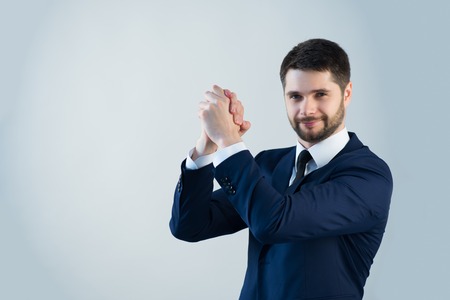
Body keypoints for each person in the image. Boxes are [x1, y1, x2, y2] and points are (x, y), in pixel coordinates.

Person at [170, 38, 393, 300]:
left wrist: (229, 141)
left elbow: (273, 222)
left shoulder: (368, 177)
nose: (306, 109)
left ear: (347, 93)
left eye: (320, 94)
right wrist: (207, 145)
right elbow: (189, 226)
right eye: (295, 96)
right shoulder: (269, 164)